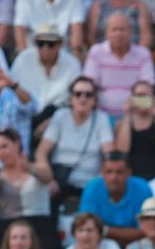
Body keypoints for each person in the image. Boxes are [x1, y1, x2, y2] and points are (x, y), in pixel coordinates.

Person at [35, 75, 114, 203]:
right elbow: (41, 152)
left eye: (88, 95)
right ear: (71, 98)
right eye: (78, 94)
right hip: (60, 180)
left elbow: (108, 154)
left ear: (94, 100)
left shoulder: (101, 118)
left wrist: (103, 179)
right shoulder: (60, 116)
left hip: (90, 183)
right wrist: (48, 179)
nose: (83, 98)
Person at [0, 126, 55, 249]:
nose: (0, 152)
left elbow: (47, 177)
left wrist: (29, 167)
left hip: (40, 227)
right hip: (9, 231)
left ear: (17, 143)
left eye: (4, 146)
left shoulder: (36, 165)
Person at [112, 81, 155, 203]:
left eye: (146, 96)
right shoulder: (121, 124)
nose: (142, 99)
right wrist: (128, 116)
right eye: (138, 95)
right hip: (131, 177)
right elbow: (122, 150)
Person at [78, 150, 152, 244]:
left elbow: (146, 231)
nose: (114, 177)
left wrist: (105, 230)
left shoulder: (142, 188)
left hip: (137, 246)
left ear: (129, 173)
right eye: (109, 172)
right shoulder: (92, 187)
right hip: (99, 245)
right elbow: (87, 229)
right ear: (102, 173)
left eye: (119, 172)